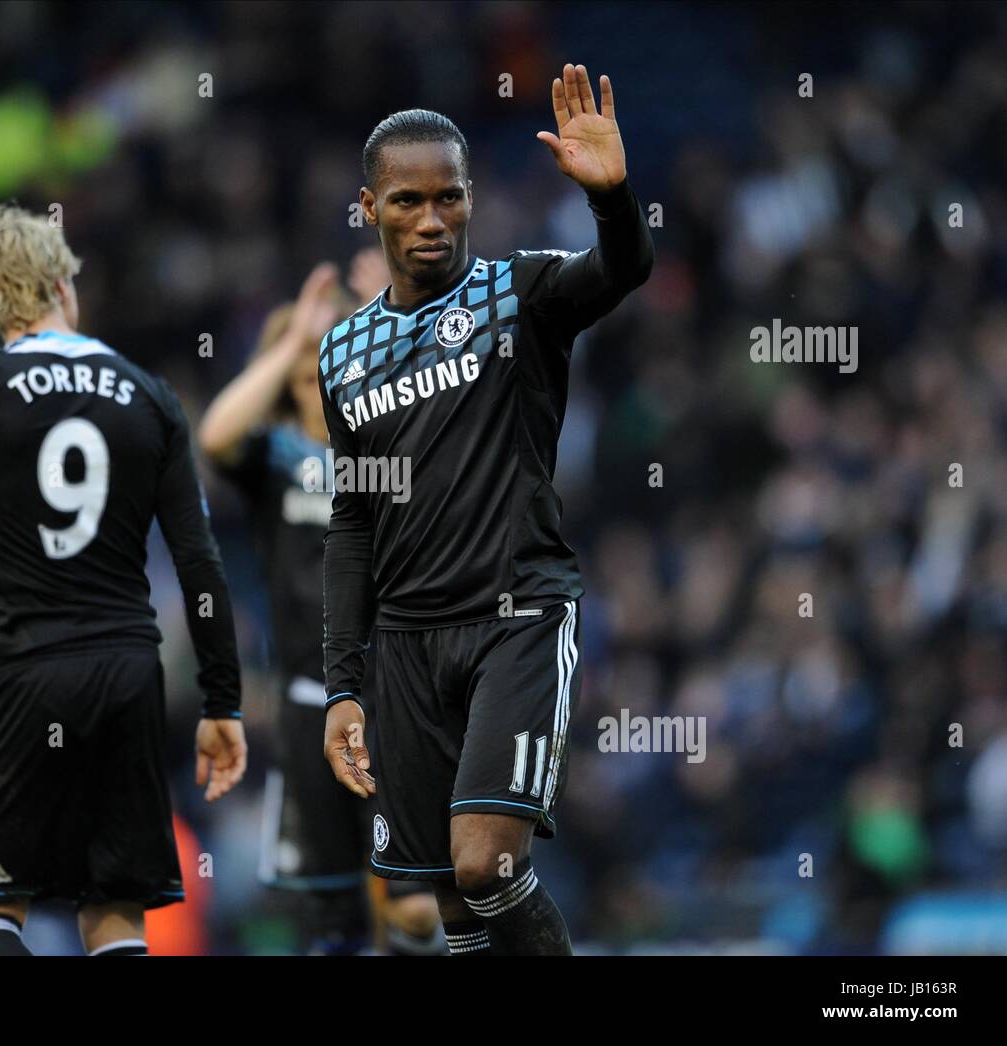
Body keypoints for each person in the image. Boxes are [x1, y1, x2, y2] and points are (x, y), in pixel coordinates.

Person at [0, 207, 247, 956]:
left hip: (26, 675)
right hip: (130, 679)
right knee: (116, 919)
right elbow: (201, 565)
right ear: (64, 285)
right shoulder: (150, 395)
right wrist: (222, 700)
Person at [320, 65, 654, 955]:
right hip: (404, 646)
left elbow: (621, 270)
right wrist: (342, 685)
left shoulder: (524, 294)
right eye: (407, 202)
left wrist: (613, 200)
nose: (432, 220)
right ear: (368, 208)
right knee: (454, 909)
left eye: (450, 198)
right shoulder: (342, 353)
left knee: (484, 867)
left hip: (517, 620)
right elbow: (352, 524)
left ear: (470, 199)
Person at [199, 253, 442, 955]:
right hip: (309, 700)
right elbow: (215, 433)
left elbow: (439, 404)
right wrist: (288, 342)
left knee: (417, 908)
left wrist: (394, 321)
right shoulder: (275, 457)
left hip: (393, 692)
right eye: (306, 370)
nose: (318, 379)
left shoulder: (381, 450)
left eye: (328, 361)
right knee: (328, 918)